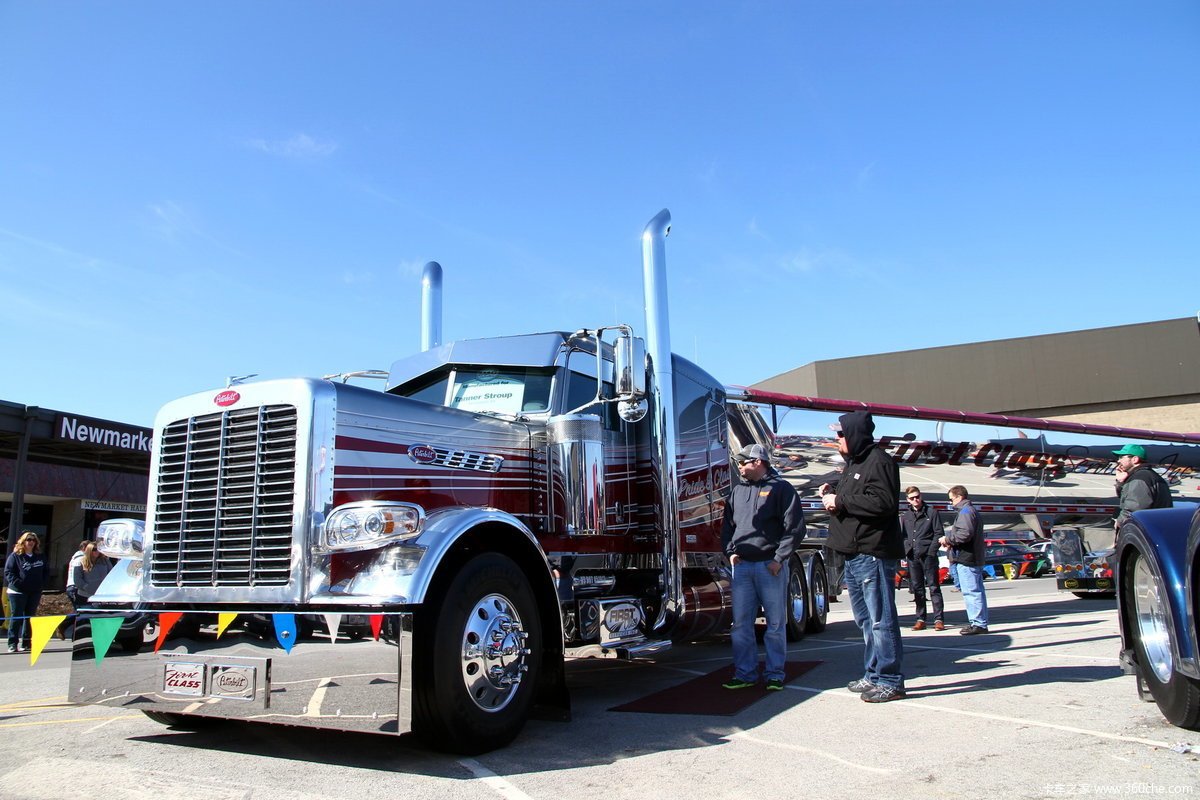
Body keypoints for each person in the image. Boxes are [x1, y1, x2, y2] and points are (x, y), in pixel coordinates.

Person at [819, 410, 906, 703]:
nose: (836, 439)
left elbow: (883, 503)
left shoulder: (878, 461)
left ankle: (891, 680)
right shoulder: (855, 463)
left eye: (840, 434)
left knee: (881, 619)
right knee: (866, 620)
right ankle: (873, 675)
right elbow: (858, 499)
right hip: (853, 554)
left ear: (854, 434)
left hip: (872, 553)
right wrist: (833, 494)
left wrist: (839, 500)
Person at [720, 442, 805, 691]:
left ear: (758, 462)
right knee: (740, 625)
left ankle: (775, 674)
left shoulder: (782, 489)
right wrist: (731, 553)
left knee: (775, 624)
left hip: (770, 567)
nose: (740, 466)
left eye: (744, 462)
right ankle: (745, 674)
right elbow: (727, 527)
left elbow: (796, 528)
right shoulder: (737, 492)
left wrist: (779, 560)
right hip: (743, 567)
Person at [940, 486, 988, 635]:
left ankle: (978, 623)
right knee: (976, 591)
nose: (951, 503)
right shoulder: (970, 511)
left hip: (967, 558)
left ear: (959, 497)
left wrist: (947, 539)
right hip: (972, 557)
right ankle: (979, 622)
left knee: (971, 592)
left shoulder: (966, 512)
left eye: (951, 499)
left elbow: (964, 534)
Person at [901, 486, 945, 631]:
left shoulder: (931, 513)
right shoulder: (906, 516)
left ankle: (938, 619)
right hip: (913, 556)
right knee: (917, 589)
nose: (916, 500)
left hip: (928, 556)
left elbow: (938, 533)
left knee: (934, 587)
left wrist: (931, 552)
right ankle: (921, 619)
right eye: (912, 498)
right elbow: (904, 535)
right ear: (908, 500)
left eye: (918, 497)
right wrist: (907, 549)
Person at [5, 531, 49, 653]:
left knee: (29, 617)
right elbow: (9, 572)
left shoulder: (40, 556)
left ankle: (26, 642)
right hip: (18, 592)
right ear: (23, 541)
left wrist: (41, 584)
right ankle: (12, 643)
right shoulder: (15, 556)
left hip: (34, 591)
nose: (31, 542)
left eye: (33, 540)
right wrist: (19, 584)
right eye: (28, 539)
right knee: (17, 616)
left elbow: (46, 571)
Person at [1112, 444, 1172, 528]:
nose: (1118, 461)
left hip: (1144, 531)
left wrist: (1119, 522)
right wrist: (1121, 482)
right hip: (1156, 529)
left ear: (1135, 459)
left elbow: (1134, 509)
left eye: (1122, 457)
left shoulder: (1140, 478)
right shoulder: (1148, 475)